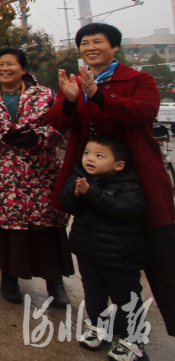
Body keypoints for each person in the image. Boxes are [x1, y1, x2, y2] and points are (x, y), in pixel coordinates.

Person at [49, 22, 175, 337]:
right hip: (89, 176)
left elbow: (145, 111)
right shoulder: (77, 83)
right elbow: (56, 122)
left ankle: (139, 332)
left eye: (97, 41)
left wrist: (97, 96)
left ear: (114, 46)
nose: (90, 47)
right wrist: (69, 100)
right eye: (84, 42)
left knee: (154, 257)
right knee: (95, 259)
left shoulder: (138, 79)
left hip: (133, 176)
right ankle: (102, 325)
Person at [0, 47, 72, 306]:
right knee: (6, 228)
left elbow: (61, 128)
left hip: (39, 173)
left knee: (46, 227)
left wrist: (38, 136)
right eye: (0, 64)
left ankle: (55, 283)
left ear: (23, 68)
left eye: (11, 64)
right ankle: (9, 279)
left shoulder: (45, 95)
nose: (5, 69)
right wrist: (0, 136)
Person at [58, 135, 149, 360]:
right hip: (88, 251)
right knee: (93, 292)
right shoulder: (79, 178)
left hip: (120, 256)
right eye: (87, 153)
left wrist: (92, 193)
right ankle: (99, 327)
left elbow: (126, 209)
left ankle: (133, 340)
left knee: (127, 298)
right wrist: (74, 194)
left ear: (118, 165)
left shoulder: (128, 185)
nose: (90, 159)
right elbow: (66, 203)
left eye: (99, 156)